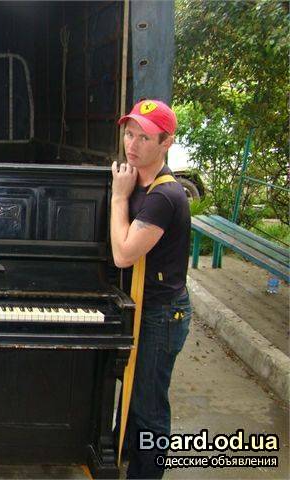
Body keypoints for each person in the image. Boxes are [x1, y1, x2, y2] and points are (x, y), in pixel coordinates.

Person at [111, 99, 192, 479]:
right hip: (141, 305)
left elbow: (123, 254)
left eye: (145, 137)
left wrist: (117, 197)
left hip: (161, 314)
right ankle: (124, 457)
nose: (133, 144)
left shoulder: (164, 196)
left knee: (149, 408)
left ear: (166, 143)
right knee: (132, 395)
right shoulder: (138, 181)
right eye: (129, 134)